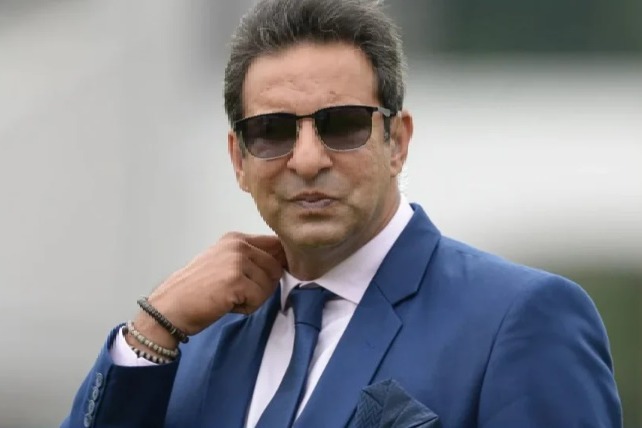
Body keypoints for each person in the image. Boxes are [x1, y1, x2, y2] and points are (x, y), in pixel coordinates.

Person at [61, 0, 622, 427]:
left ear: (397, 141)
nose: (307, 160)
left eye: (343, 124)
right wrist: (150, 329)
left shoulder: (520, 319)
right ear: (239, 159)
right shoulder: (192, 341)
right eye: (273, 131)